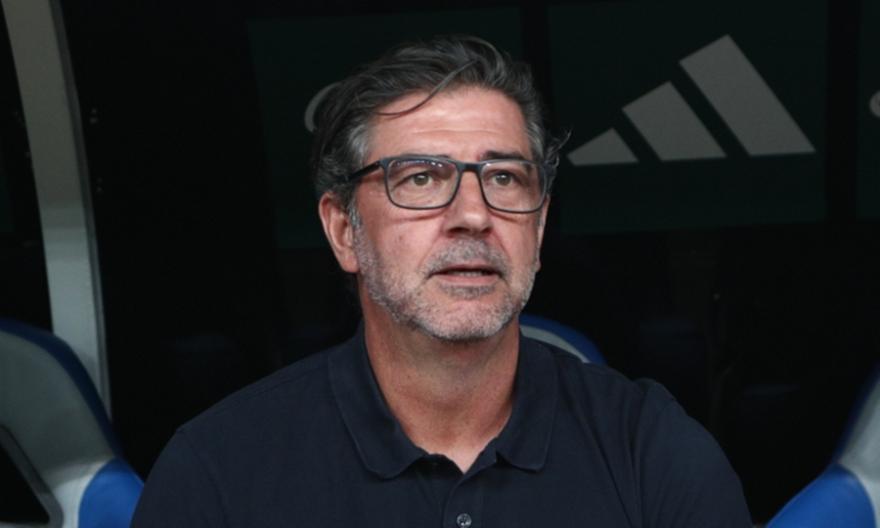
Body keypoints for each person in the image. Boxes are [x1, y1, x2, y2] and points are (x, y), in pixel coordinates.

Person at [132, 35, 751, 527]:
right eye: (421, 178)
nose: (473, 215)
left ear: (537, 229)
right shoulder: (218, 472)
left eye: (504, 177)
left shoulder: (652, 451)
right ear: (344, 231)